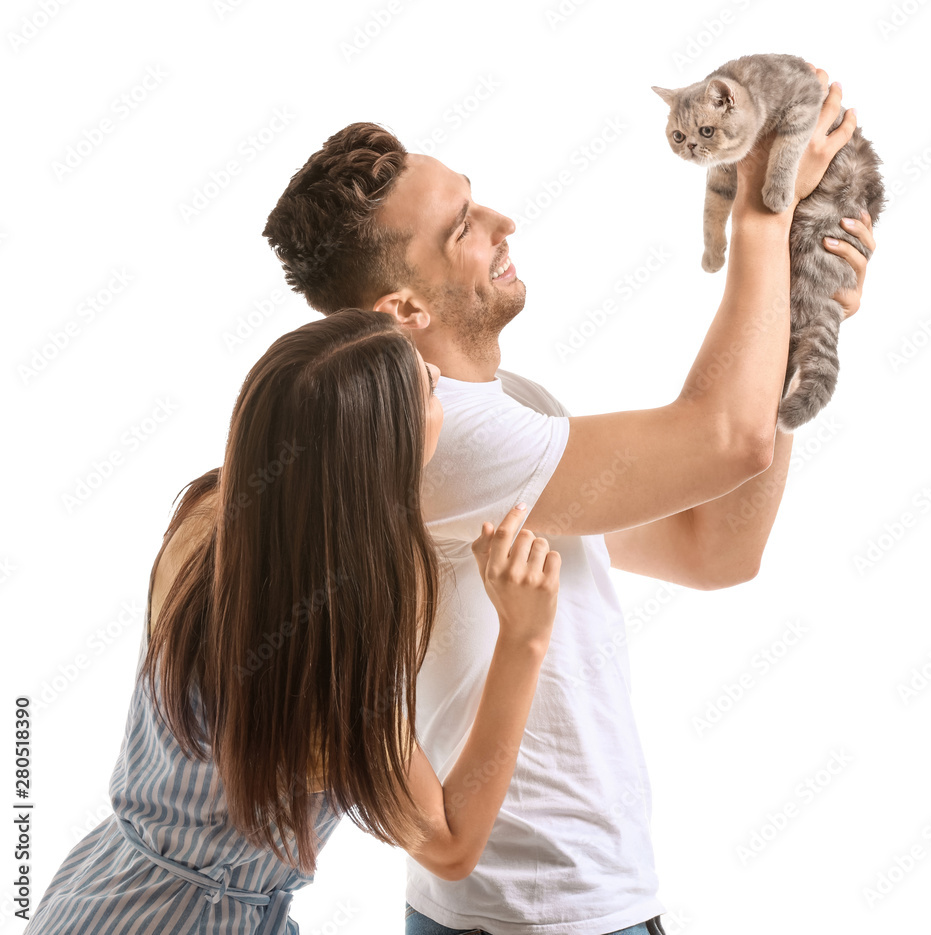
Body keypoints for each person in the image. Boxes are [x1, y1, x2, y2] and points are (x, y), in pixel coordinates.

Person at [254, 65, 878, 935]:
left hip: (567, 905)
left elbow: (714, 548)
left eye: (474, 199)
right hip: (539, 917)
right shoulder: (447, 440)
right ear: (402, 308)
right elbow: (724, 438)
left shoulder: (513, 406)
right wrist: (763, 210)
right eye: (462, 227)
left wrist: (801, 335)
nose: (502, 221)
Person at [24, 310, 562, 934]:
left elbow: (314, 430)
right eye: (429, 389)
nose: (439, 373)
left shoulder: (211, 517)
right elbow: (449, 847)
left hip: (94, 895)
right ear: (384, 450)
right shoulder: (328, 662)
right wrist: (524, 637)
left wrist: (368, 344)